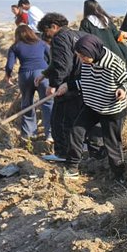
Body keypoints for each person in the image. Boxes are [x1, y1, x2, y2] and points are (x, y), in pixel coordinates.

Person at [63, 35, 127, 180]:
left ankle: (119, 176)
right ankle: (72, 167)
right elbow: (86, 81)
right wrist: (68, 86)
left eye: (83, 56)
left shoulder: (113, 63)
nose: (82, 59)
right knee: (76, 131)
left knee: (112, 143)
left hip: (111, 109)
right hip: (91, 105)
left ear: (92, 51)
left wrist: (123, 91)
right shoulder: (87, 60)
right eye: (79, 56)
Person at [36, 13, 84, 162]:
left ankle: (64, 154)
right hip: (82, 83)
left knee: (60, 120)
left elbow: (63, 65)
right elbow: (62, 61)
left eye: (46, 31)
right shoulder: (78, 34)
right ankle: (76, 152)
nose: (47, 36)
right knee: (74, 119)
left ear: (54, 26)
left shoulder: (60, 38)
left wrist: (53, 85)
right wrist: (45, 73)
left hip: (68, 85)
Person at [4, 24, 53, 140]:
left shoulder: (15, 46)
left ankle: (29, 134)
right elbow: (51, 58)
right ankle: (50, 134)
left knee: (27, 103)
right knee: (48, 103)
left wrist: (8, 76)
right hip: (42, 73)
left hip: (25, 75)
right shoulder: (41, 43)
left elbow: (10, 65)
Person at [79, 0, 127, 64]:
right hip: (115, 52)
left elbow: (84, 38)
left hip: (100, 54)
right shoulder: (106, 20)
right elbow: (116, 34)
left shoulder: (86, 22)